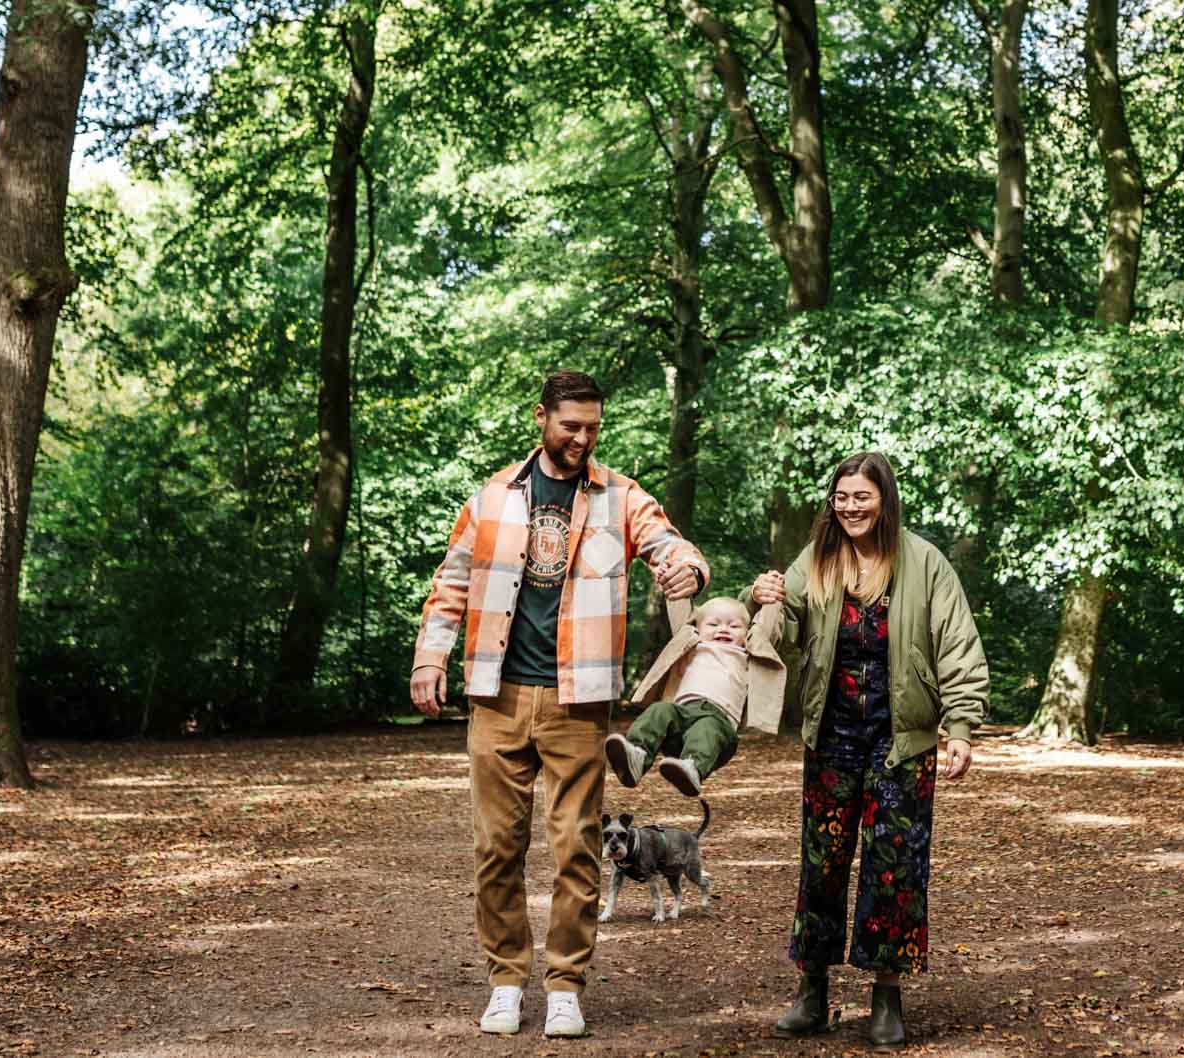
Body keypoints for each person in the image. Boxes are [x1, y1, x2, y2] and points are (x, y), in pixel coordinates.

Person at [409, 370, 707, 1039]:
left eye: (592, 428)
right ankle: (507, 981)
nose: (581, 438)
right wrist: (431, 655)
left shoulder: (620, 497)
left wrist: (687, 566)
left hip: (580, 699)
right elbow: (451, 582)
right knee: (497, 847)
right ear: (541, 417)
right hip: (497, 695)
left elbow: (668, 542)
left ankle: (566, 985)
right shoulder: (492, 497)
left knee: (577, 847)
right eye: (569, 425)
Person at [749, 451, 988, 1049]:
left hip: (901, 740)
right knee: (822, 864)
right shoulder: (819, 560)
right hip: (831, 736)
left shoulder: (924, 562)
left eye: (862, 496)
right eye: (842, 497)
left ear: (885, 499)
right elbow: (786, 630)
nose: (850, 507)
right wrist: (767, 599)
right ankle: (812, 991)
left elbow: (958, 647)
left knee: (895, 868)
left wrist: (959, 726)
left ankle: (886, 995)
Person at [603, 596, 785, 796]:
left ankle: (693, 768)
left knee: (707, 728)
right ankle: (637, 755)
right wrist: (677, 570)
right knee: (659, 710)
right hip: (682, 715)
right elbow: (678, 603)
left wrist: (772, 598)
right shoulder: (690, 645)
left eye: (734, 626)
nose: (723, 629)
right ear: (697, 627)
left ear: (746, 633)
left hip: (719, 724)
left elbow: (766, 628)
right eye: (713, 624)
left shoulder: (748, 655)